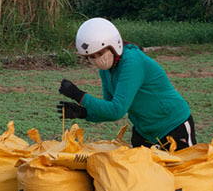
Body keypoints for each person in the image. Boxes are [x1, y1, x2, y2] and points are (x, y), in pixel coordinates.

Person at [56, 17, 196, 150]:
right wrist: (83, 113)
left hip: (173, 126)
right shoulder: (106, 70)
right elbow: (109, 110)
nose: (97, 60)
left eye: (100, 53)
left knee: (183, 173)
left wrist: (79, 95)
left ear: (113, 46)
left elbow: (117, 110)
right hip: (145, 132)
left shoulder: (132, 63)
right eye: (91, 56)